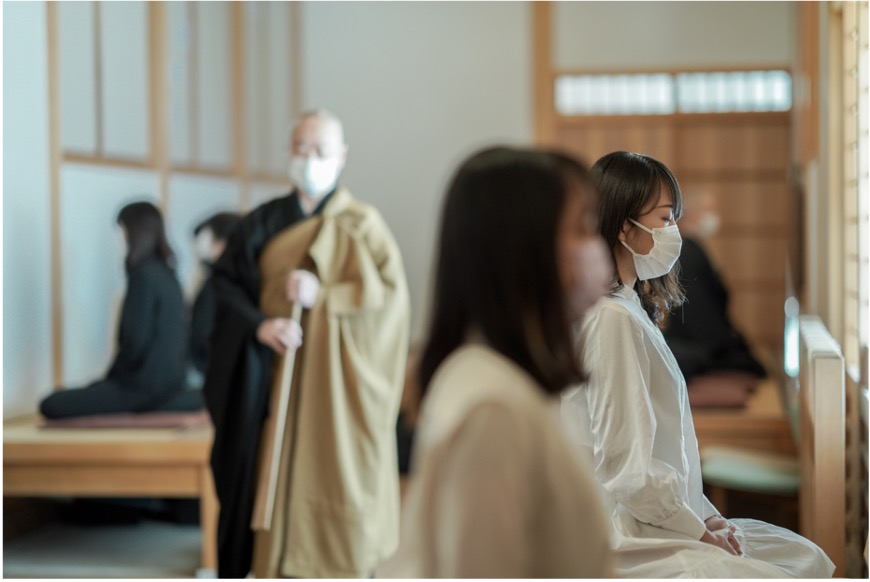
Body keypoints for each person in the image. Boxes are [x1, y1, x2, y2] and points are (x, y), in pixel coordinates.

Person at [561, 151, 834, 578]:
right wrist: (700, 531)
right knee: (794, 568)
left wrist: (704, 517)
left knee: (807, 557)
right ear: (622, 226)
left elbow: (671, 455)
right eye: (665, 218)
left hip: (661, 519)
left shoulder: (631, 307)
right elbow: (627, 470)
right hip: (627, 533)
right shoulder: (611, 318)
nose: (675, 232)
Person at [382, 147, 614, 578]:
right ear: (524, 246)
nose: (597, 248)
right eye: (583, 228)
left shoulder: (502, 380)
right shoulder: (492, 408)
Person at [202, 109, 410, 578]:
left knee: (340, 473)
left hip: (337, 389)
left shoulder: (363, 224)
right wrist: (260, 325)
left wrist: (326, 296)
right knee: (257, 475)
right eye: (301, 147)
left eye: (321, 150)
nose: (310, 158)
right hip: (268, 379)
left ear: (342, 157)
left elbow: (390, 306)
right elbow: (224, 288)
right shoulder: (261, 223)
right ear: (287, 152)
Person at [40, 201, 189, 419]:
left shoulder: (143, 276)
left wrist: (111, 379)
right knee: (91, 391)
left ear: (134, 231)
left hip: (143, 387)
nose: (120, 237)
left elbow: (135, 342)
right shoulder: (169, 274)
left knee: (51, 404)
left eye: (121, 229)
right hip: (172, 382)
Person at [662, 190, 766, 384]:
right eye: (709, 210)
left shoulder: (693, 247)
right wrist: (722, 343)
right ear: (691, 213)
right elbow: (697, 310)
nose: (713, 217)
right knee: (752, 365)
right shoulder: (687, 251)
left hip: (703, 335)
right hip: (696, 340)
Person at [188, 211, 241, 381]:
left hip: (206, 371)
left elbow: (200, 334)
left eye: (210, 238)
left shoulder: (218, 284)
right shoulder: (213, 280)